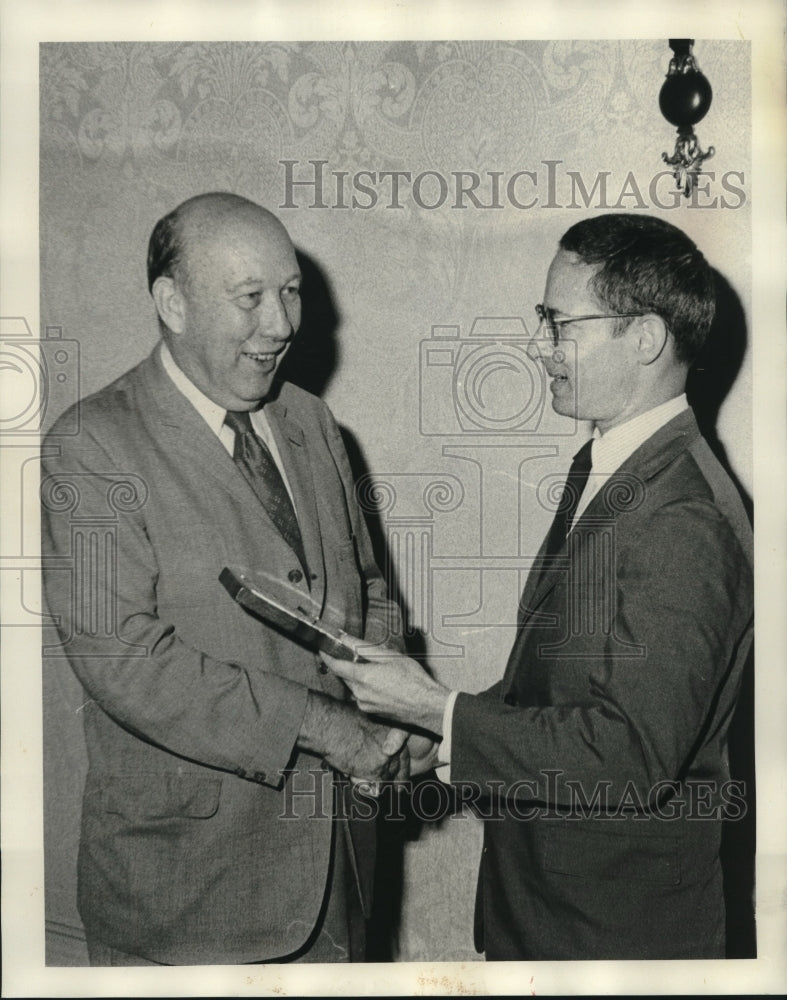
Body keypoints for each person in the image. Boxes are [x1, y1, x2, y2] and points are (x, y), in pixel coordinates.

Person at [327, 213, 754, 960]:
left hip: (612, 937)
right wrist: (439, 738)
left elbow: (629, 755)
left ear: (645, 338)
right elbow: (560, 693)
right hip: (551, 912)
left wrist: (442, 709)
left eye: (560, 323)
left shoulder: (683, 516)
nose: (540, 345)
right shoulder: (610, 465)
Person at [40, 192, 413, 965]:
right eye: (250, 298)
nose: (281, 324)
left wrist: (388, 700)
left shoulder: (311, 423)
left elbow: (368, 590)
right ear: (171, 303)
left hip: (337, 875)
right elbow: (126, 661)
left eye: (290, 291)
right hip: (186, 898)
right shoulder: (91, 446)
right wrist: (330, 729)